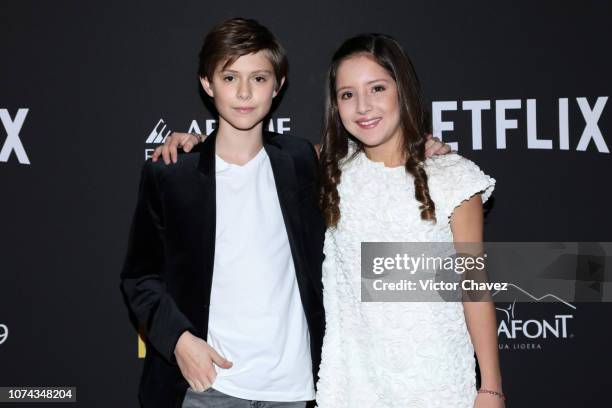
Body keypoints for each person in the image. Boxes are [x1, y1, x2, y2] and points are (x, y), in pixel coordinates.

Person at [160, 33, 504, 407]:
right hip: (353, 383)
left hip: (437, 380)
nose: (363, 107)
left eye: (377, 88)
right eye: (347, 95)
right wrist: (194, 143)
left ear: (401, 89)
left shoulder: (453, 179)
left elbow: (475, 284)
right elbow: (250, 149)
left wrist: (490, 387)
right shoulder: (329, 170)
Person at [121, 18, 326, 408]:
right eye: (230, 77)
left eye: (259, 78)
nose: (245, 93)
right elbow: (139, 277)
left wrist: (426, 150)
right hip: (206, 387)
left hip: (294, 390)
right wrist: (180, 341)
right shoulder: (171, 173)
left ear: (278, 85)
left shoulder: (300, 161)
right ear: (207, 83)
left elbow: (375, 152)